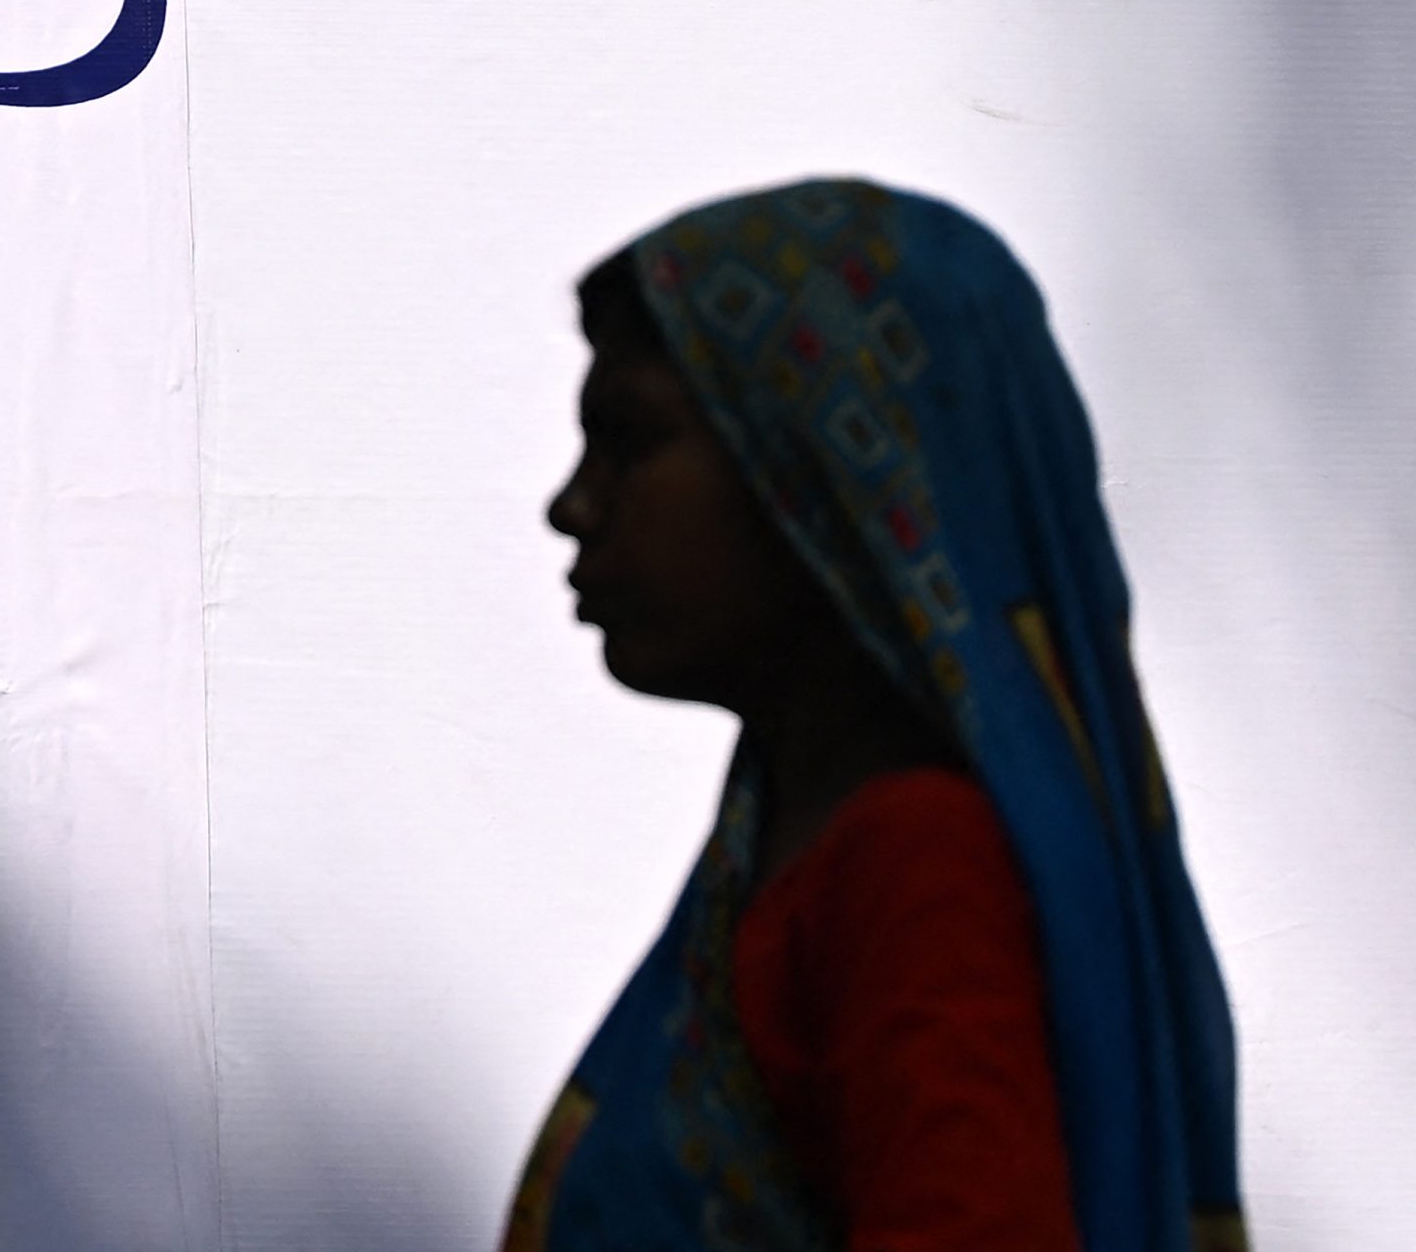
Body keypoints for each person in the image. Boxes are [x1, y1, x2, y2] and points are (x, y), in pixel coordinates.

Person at [504, 180, 1248, 1252]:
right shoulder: (783, 851)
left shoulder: (916, 872)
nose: (572, 505)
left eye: (631, 439)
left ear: (822, 469)